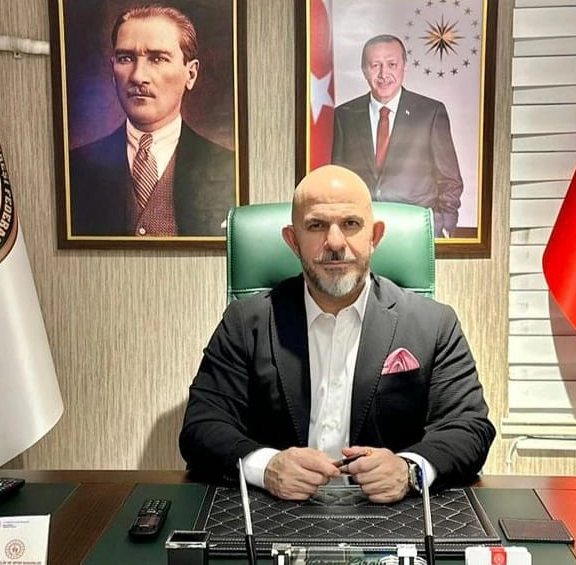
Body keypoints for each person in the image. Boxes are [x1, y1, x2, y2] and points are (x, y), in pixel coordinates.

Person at [179, 165, 494, 503]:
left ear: (375, 236)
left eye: (351, 224)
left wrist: (408, 470)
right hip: (274, 510)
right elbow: (202, 426)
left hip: (391, 513)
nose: (334, 242)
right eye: (316, 225)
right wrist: (267, 466)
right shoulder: (245, 322)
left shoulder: (434, 324)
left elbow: (469, 428)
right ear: (293, 240)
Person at [67, 4, 236, 237]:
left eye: (157, 59)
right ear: (112, 70)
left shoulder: (229, 166)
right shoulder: (76, 168)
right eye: (126, 58)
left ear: (191, 74)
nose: (138, 76)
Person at [331, 35, 464, 237]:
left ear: (404, 67)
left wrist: (441, 226)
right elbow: (339, 179)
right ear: (364, 70)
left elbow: (450, 180)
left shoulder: (430, 113)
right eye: (375, 65)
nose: (383, 74)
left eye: (391, 64)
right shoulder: (344, 115)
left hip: (415, 231)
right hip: (360, 233)